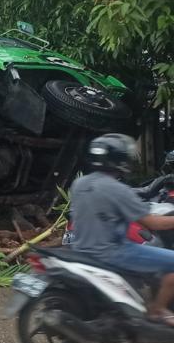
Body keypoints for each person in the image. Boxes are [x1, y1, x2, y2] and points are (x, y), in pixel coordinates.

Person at [69, 134, 174, 326]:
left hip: (80, 250)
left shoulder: (79, 184)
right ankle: (157, 311)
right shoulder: (117, 189)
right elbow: (153, 223)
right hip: (113, 252)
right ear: (119, 159)